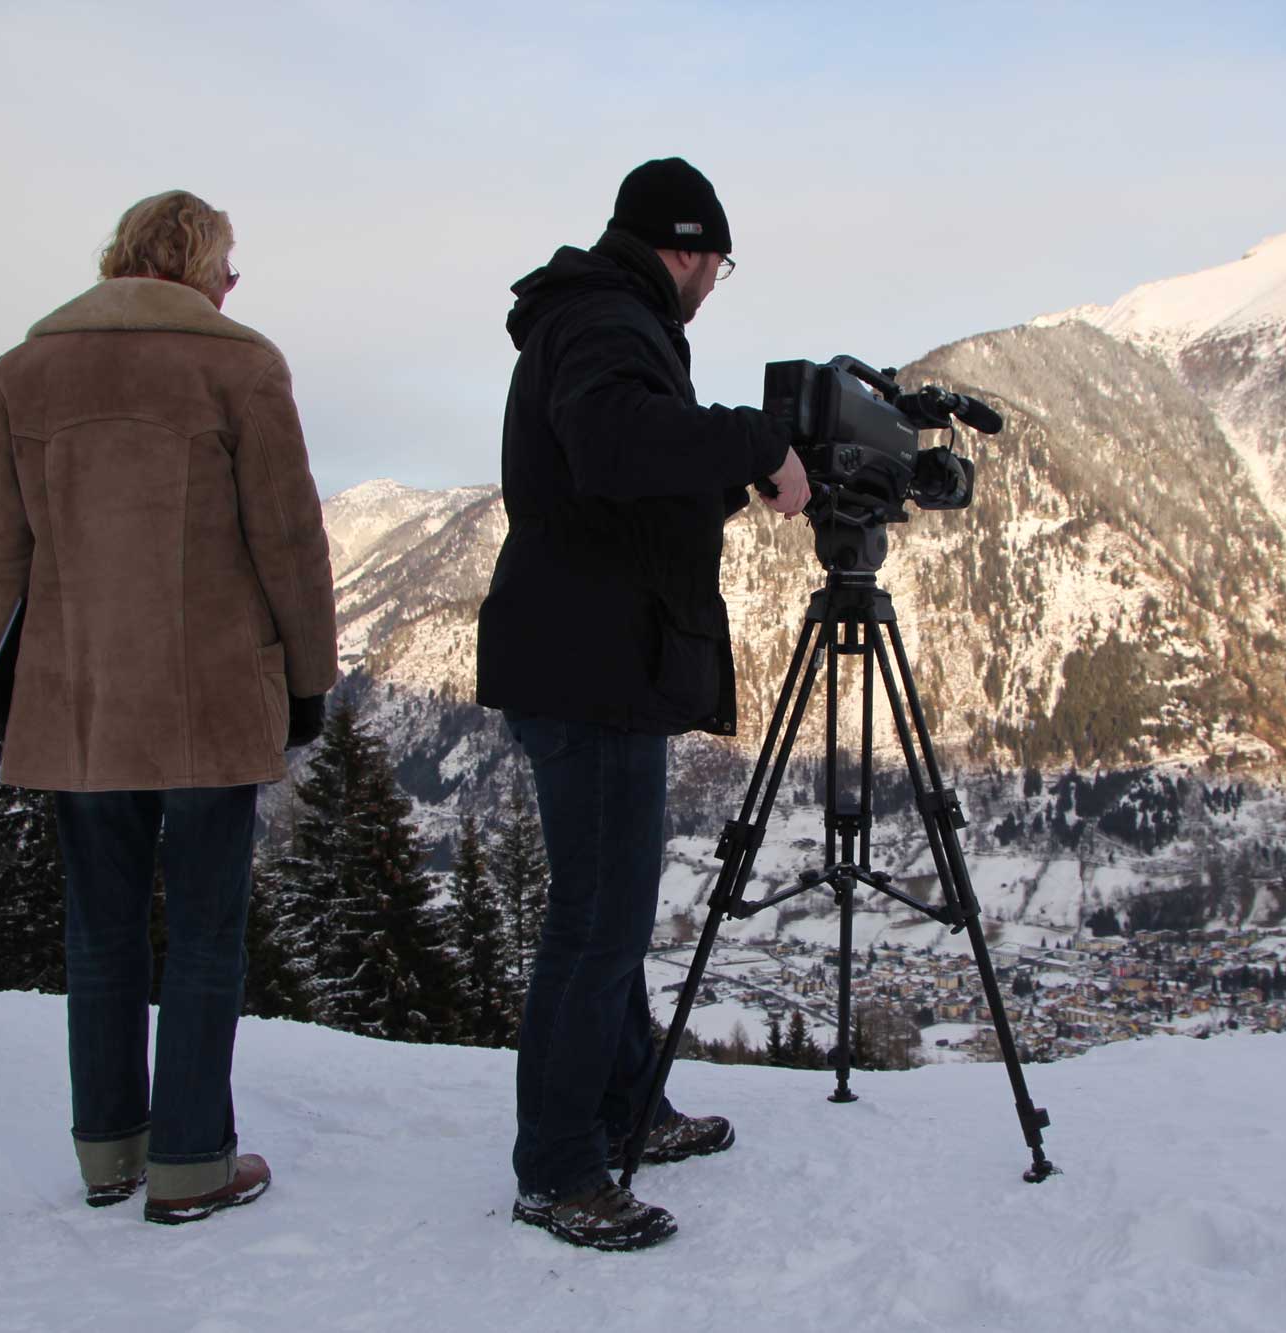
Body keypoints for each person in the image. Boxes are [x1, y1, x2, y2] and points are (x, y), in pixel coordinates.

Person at [0, 190, 337, 1223]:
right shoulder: (238, 365)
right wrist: (306, 680)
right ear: (197, 263)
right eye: (227, 261)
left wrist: (9, 691)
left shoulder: (20, 372)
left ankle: (108, 1153)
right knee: (207, 933)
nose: (234, 282)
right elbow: (288, 543)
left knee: (100, 932)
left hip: (76, 699)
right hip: (209, 696)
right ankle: (191, 1162)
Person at [477, 157, 810, 1251]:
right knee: (597, 923)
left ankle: (628, 1107)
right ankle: (561, 1170)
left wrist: (724, 477)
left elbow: (613, 477)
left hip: (582, 653)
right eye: (716, 262)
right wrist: (756, 442)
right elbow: (617, 444)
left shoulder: (594, 315)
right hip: (593, 665)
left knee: (600, 909)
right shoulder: (609, 318)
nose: (715, 282)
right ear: (686, 249)